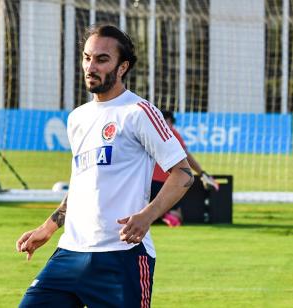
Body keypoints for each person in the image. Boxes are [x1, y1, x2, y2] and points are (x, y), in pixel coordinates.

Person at [16, 24, 194, 307]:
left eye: (101, 59)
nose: (90, 66)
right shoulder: (77, 118)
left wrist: (147, 216)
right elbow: (81, 183)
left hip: (121, 257)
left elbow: (183, 173)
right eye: (87, 57)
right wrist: (48, 228)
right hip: (70, 253)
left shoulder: (138, 112)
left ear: (122, 67)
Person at [151, 110, 219, 227]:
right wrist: (202, 172)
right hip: (167, 183)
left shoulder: (149, 134)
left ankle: (160, 216)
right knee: (177, 215)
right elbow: (186, 157)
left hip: (147, 182)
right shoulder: (172, 134)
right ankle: (166, 215)